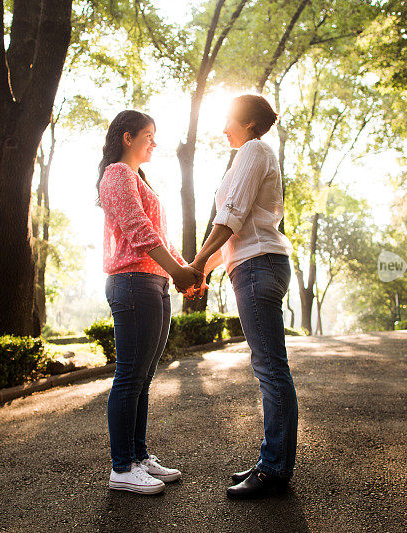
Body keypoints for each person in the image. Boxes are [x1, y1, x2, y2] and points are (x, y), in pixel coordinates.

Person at [189, 94, 298, 499]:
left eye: (229, 121)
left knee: (270, 369)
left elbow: (230, 216)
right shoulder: (254, 153)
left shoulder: (252, 149)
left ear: (249, 123)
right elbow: (235, 230)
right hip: (255, 265)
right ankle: (273, 462)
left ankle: (273, 469)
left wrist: (197, 264)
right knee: (269, 367)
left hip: (258, 268)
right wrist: (205, 267)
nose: (223, 130)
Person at [97, 110, 203, 495]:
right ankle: (121, 468)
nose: (154, 142)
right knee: (130, 376)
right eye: (148, 135)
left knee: (143, 376)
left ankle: (139, 457)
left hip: (154, 282)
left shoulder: (138, 179)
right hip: (132, 281)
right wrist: (178, 272)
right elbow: (139, 231)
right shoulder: (118, 174)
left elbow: (160, 234)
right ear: (128, 137)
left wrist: (184, 269)